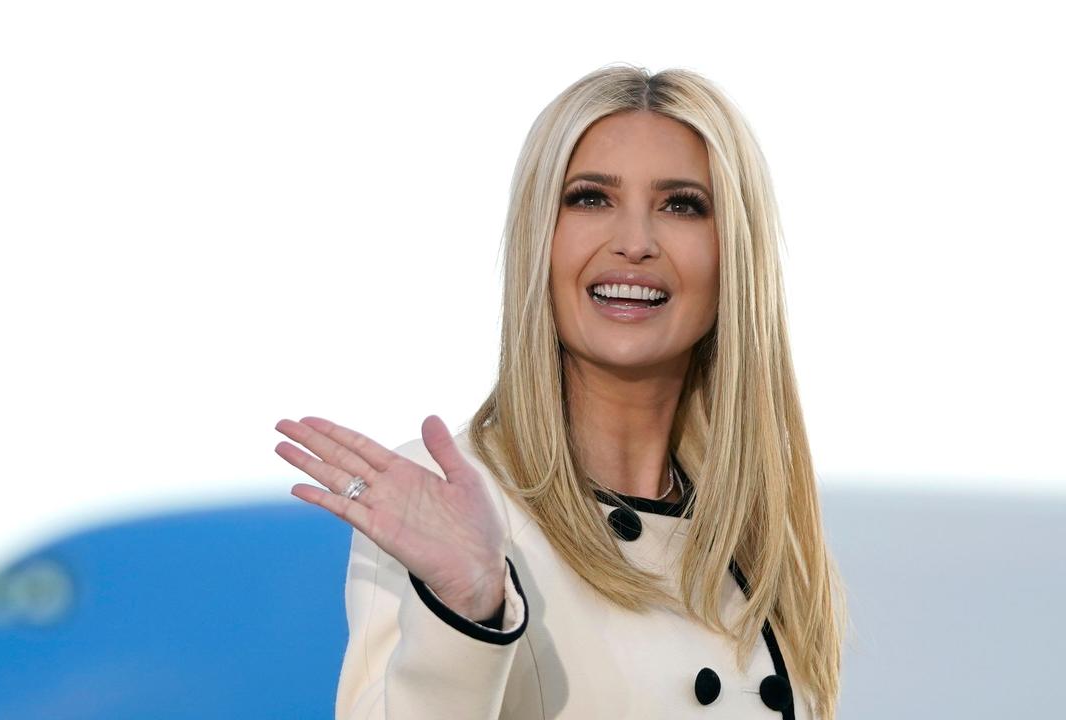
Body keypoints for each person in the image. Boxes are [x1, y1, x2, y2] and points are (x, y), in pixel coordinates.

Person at [274, 63, 850, 719]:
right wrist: (468, 609)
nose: (634, 243)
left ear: (734, 258)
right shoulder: (443, 499)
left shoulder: (764, 532)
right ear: (539, 240)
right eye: (590, 199)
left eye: (682, 205)